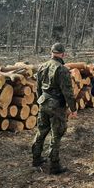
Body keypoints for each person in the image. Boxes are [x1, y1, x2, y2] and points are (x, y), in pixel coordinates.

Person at [32, 43, 77, 175]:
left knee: (41, 131)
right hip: (56, 106)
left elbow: (38, 88)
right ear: (63, 54)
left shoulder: (42, 66)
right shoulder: (62, 69)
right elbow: (68, 92)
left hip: (44, 102)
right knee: (56, 135)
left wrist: (40, 100)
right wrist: (73, 109)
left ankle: (36, 158)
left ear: (51, 52)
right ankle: (55, 165)